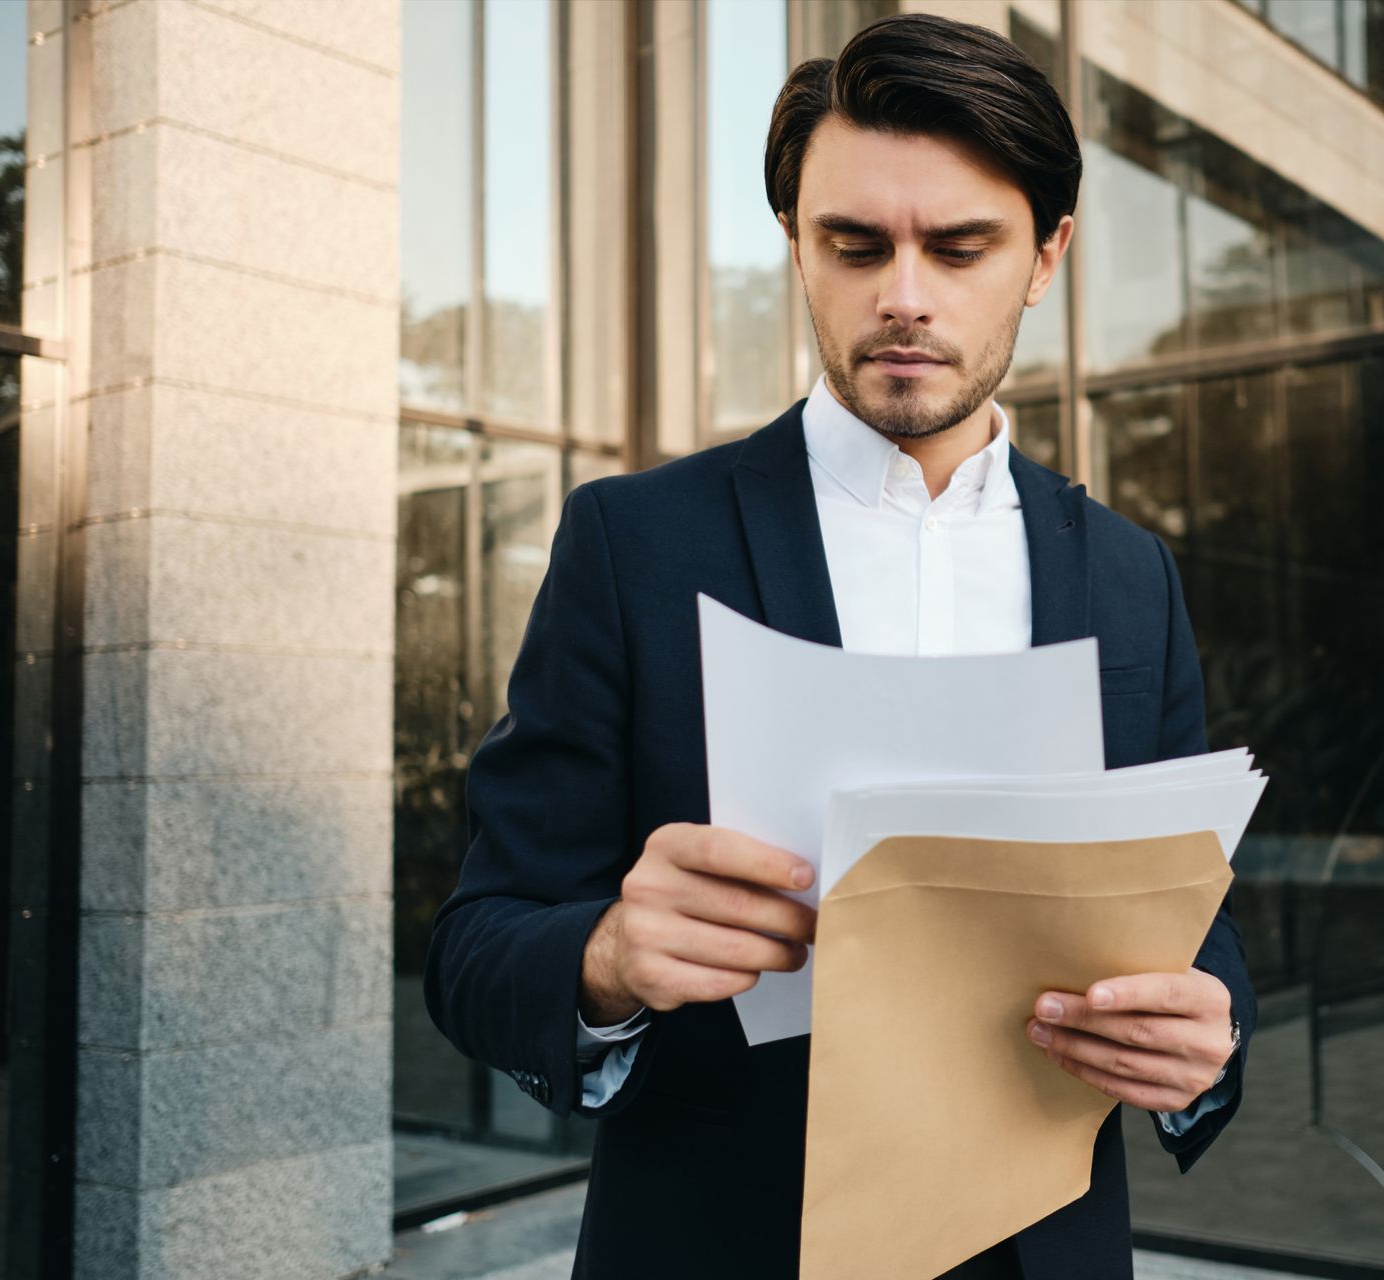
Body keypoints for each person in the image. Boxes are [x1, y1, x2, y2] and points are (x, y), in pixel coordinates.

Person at [424, 13, 1255, 1279]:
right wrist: (603, 961)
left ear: (1046, 256)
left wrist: (1210, 1044)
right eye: (854, 244)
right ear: (797, 250)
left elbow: (1197, 930)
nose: (903, 297)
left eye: (961, 246)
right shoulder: (631, 543)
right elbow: (480, 941)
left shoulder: (1131, 575)